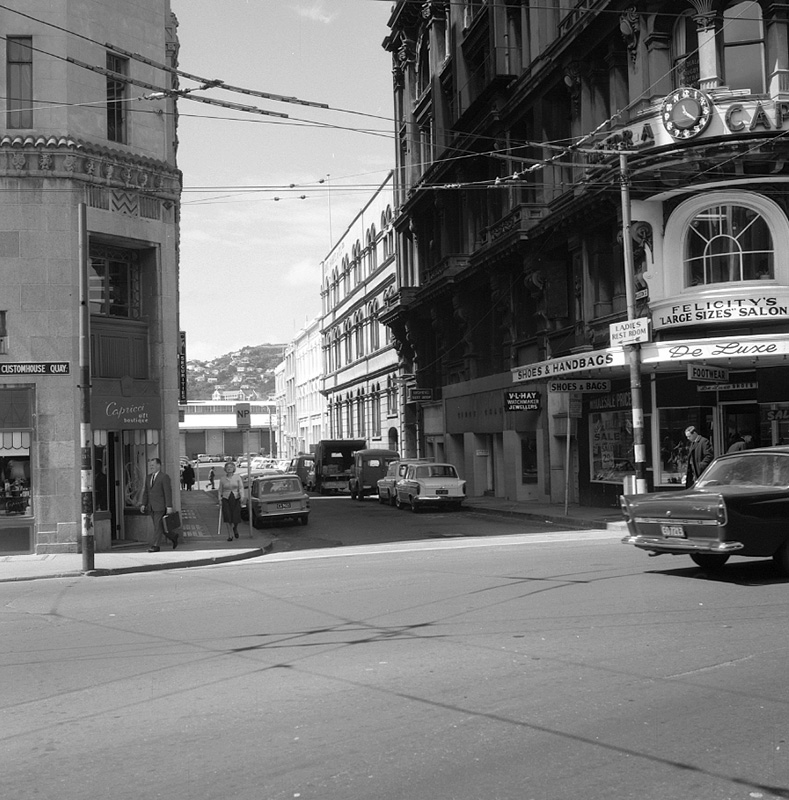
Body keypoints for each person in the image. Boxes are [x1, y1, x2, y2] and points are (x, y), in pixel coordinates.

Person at [140, 457, 178, 552]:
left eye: (153, 465)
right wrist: (143, 504)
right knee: (160, 527)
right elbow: (146, 492)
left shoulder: (164, 477)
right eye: (150, 466)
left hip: (160, 507)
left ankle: (155, 546)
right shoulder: (148, 477)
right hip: (151, 507)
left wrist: (169, 507)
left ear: (158, 465)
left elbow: (167, 492)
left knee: (157, 527)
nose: (151, 467)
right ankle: (173, 536)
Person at [218, 461, 245, 541]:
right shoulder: (222, 479)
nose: (229, 469)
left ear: (234, 469)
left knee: (235, 517)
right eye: (227, 467)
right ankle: (230, 535)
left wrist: (242, 496)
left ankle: (235, 528)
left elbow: (241, 487)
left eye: (231, 467)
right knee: (227, 517)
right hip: (226, 499)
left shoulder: (237, 477)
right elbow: (220, 490)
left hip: (235, 498)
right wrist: (219, 499)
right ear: (225, 469)